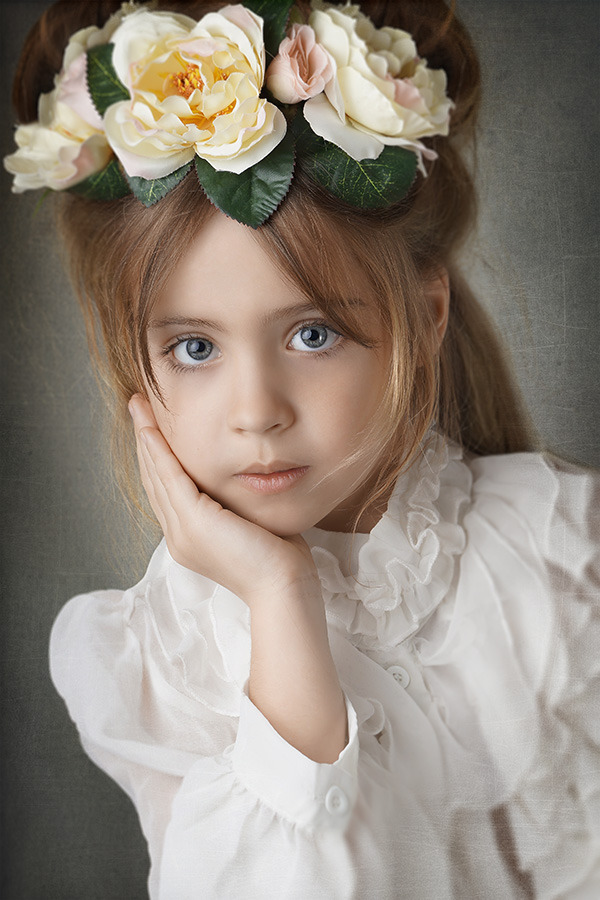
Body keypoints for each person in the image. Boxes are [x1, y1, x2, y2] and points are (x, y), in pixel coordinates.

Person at [4, 0, 599, 897]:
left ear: (424, 316)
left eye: (313, 334)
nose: (257, 413)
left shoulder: (563, 549)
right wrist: (280, 599)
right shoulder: (154, 663)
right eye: (195, 348)